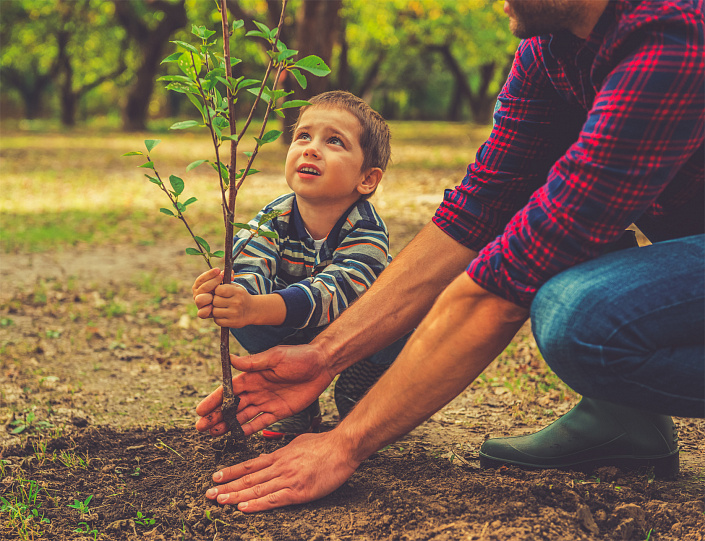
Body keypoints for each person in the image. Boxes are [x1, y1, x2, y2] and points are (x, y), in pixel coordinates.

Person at [195, 0, 704, 512]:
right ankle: (626, 419)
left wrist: (345, 442)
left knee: (580, 316)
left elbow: (507, 283)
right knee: (552, 221)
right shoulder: (547, 51)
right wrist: (323, 355)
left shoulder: (672, 34)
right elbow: (476, 212)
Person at [192, 90, 407, 439]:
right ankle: (298, 402)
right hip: (293, 328)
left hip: (356, 332)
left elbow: (337, 292)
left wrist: (260, 306)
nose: (311, 148)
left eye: (334, 141)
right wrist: (231, 296)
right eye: (303, 136)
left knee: (404, 319)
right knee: (245, 316)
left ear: (367, 179)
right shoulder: (274, 216)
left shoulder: (367, 228)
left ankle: (367, 380)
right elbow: (250, 263)